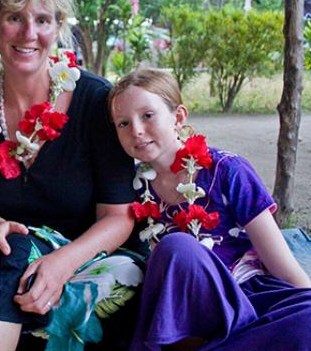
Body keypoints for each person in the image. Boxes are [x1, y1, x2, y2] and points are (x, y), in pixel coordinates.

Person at [0, 0, 143, 351]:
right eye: (14, 18)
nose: (29, 33)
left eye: (42, 20)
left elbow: (119, 217)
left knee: (17, 257)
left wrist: (61, 263)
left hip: (100, 263)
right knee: (15, 243)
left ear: (58, 27)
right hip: (18, 270)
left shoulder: (94, 100)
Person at [109, 68, 311, 350]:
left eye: (147, 115)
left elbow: (286, 269)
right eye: (123, 123)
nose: (137, 131)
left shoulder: (228, 170)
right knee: (177, 247)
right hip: (183, 314)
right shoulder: (130, 190)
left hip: (246, 298)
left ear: (178, 117)